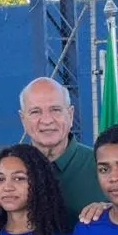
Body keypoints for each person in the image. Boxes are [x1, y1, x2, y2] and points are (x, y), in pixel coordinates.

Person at [18, 77, 105, 220]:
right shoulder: (7, 171)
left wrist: (112, 211)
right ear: (23, 119)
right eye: (35, 112)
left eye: (55, 110)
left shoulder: (102, 165)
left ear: (70, 115)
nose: (47, 120)